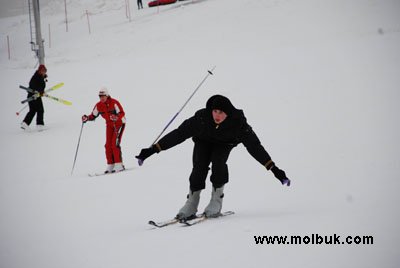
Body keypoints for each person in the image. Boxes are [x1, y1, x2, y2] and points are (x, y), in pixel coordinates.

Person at [136, 95, 291, 220]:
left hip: (225, 143)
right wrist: (153, 150)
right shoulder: (201, 118)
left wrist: (274, 169)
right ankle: (192, 202)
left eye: (221, 113)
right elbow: (179, 134)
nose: (217, 115)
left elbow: (255, 147)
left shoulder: (239, 125)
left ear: (228, 113)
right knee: (199, 165)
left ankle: (216, 200)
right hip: (203, 140)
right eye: (215, 111)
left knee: (218, 162)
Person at [82, 87, 126, 173]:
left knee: (114, 143)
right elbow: (93, 116)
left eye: (103, 96)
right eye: (100, 96)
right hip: (109, 125)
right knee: (107, 145)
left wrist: (116, 117)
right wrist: (86, 118)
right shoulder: (99, 105)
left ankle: (119, 164)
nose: (101, 98)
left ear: (107, 95)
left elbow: (122, 113)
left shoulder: (114, 102)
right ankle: (111, 164)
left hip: (119, 123)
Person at [21, 64, 48, 131]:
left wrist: (42, 92)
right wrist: (38, 92)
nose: (44, 72)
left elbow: (40, 87)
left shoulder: (40, 77)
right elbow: (33, 86)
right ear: (40, 71)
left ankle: (25, 123)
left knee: (32, 110)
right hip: (34, 96)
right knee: (40, 110)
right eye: (43, 71)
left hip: (33, 96)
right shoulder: (36, 77)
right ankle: (39, 125)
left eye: (45, 71)